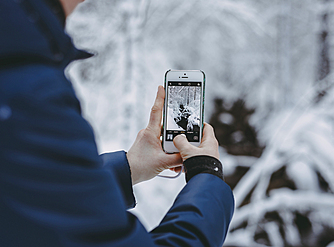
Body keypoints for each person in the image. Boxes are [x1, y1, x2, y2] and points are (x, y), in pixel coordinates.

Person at [0, 0, 234, 246]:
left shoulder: (16, 69)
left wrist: (129, 168)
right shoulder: (28, 93)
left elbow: (29, 195)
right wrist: (207, 175)